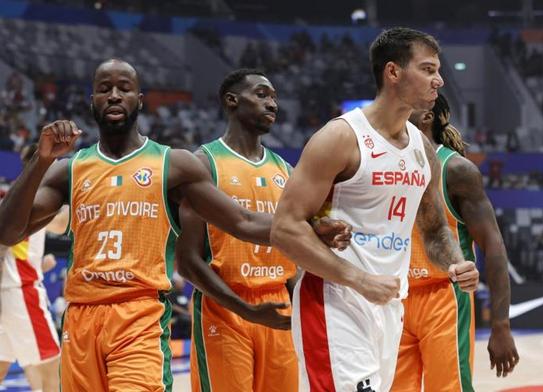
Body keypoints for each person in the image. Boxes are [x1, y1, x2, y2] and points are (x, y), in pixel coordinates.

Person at [0, 59, 349, 391]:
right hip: (80, 318)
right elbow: (8, 231)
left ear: (139, 100)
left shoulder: (174, 164)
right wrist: (41, 162)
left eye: (124, 88)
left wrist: (309, 229)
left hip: (140, 316)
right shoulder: (69, 170)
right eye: (104, 89)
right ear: (92, 101)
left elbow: (241, 221)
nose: (115, 95)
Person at [271, 27, 480, 392]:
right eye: (428, 69)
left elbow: (433, 230)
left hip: (389, 303)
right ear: (393, 72)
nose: (439, 80)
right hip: (335, 301)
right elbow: (285, 228)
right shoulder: (340, 138)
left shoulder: (421, 148)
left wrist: (455, 263)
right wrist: (360, 279)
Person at [177, 69, 336, 392]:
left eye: (275, 98)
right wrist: (245, 309)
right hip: (225, 307)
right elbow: (187, 261)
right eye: (262, 95)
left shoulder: (285, 170)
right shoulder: (203, 163)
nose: (272, 104)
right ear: (232, 100)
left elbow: (298, 250)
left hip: (278, 308)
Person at [391, 94, 519, 391]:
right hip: (393, 297)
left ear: (427, 116)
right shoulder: (381, 165)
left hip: (443, 297)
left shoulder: (456, 169)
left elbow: (494, 246)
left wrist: (500, 325)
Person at [0, 144, 69, 392]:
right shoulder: (36, 197)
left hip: (8, 290)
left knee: (1, 363)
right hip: (21, 290)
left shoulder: (13, 195)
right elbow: (61, 224)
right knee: (53, 365)